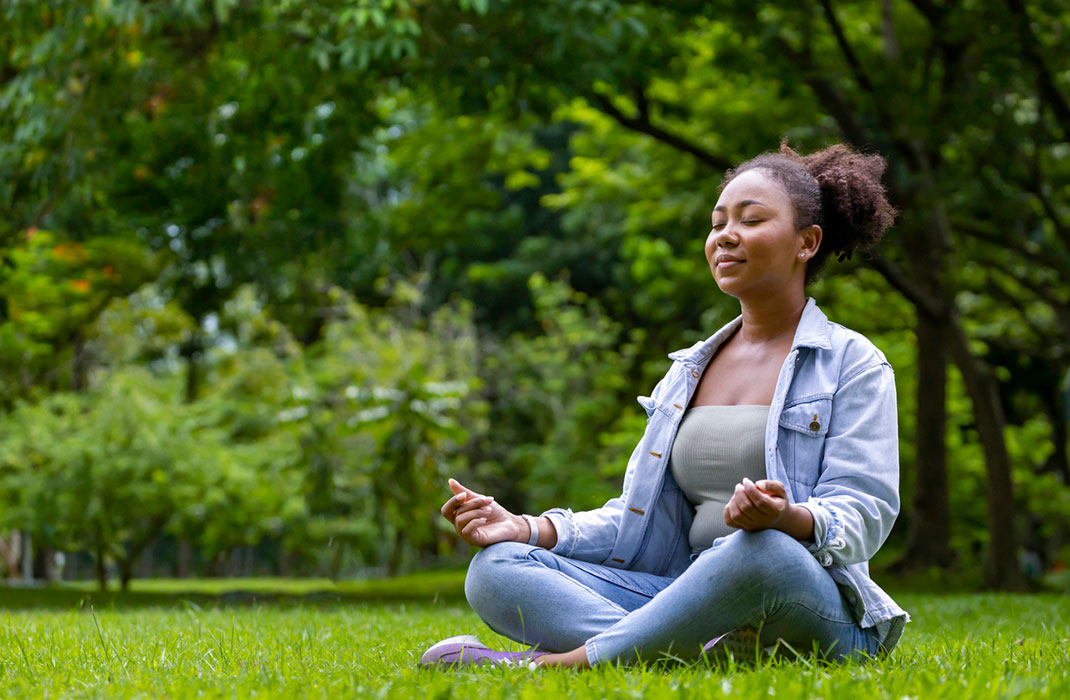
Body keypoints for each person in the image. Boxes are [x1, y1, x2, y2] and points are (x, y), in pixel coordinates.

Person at [419, 142, 909, 670]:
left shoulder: (852, 363)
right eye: (718, 222)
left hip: (802, 602)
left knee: (762, 551)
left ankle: (564, 665)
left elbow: (867, 510)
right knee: (496, 566)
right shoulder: (687, 372)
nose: (726, 235)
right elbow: (636, 520)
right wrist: (529, 528)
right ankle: (682, 652)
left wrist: (789, 518)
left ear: (806, 242)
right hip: (682, 596)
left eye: (751, 220)